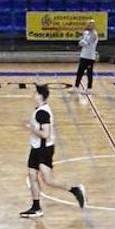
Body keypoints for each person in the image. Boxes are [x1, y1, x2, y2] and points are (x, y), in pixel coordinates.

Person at [21, 85, 86, 219]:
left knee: (48, 180)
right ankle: (36, 207)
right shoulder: (40, 109)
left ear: (40, 96)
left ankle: (75, 190)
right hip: (36, 147)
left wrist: (30, 128)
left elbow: (45, 134)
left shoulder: (42, 113)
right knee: (32, 175)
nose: (33, 94)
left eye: (35, 92)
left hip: (43, 149)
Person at [74, 19, 99, 94]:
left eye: (91, 24)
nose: (90, 26)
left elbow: (89, 44)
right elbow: (82, 41)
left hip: (90, 56)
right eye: (89, 24)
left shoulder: (94, 34)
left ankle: (89, 88)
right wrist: (82, 42)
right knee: (80, 72)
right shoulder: (86, 33)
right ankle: (76, 86)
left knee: (89, 73)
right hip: (83, 55)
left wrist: (83, 43)